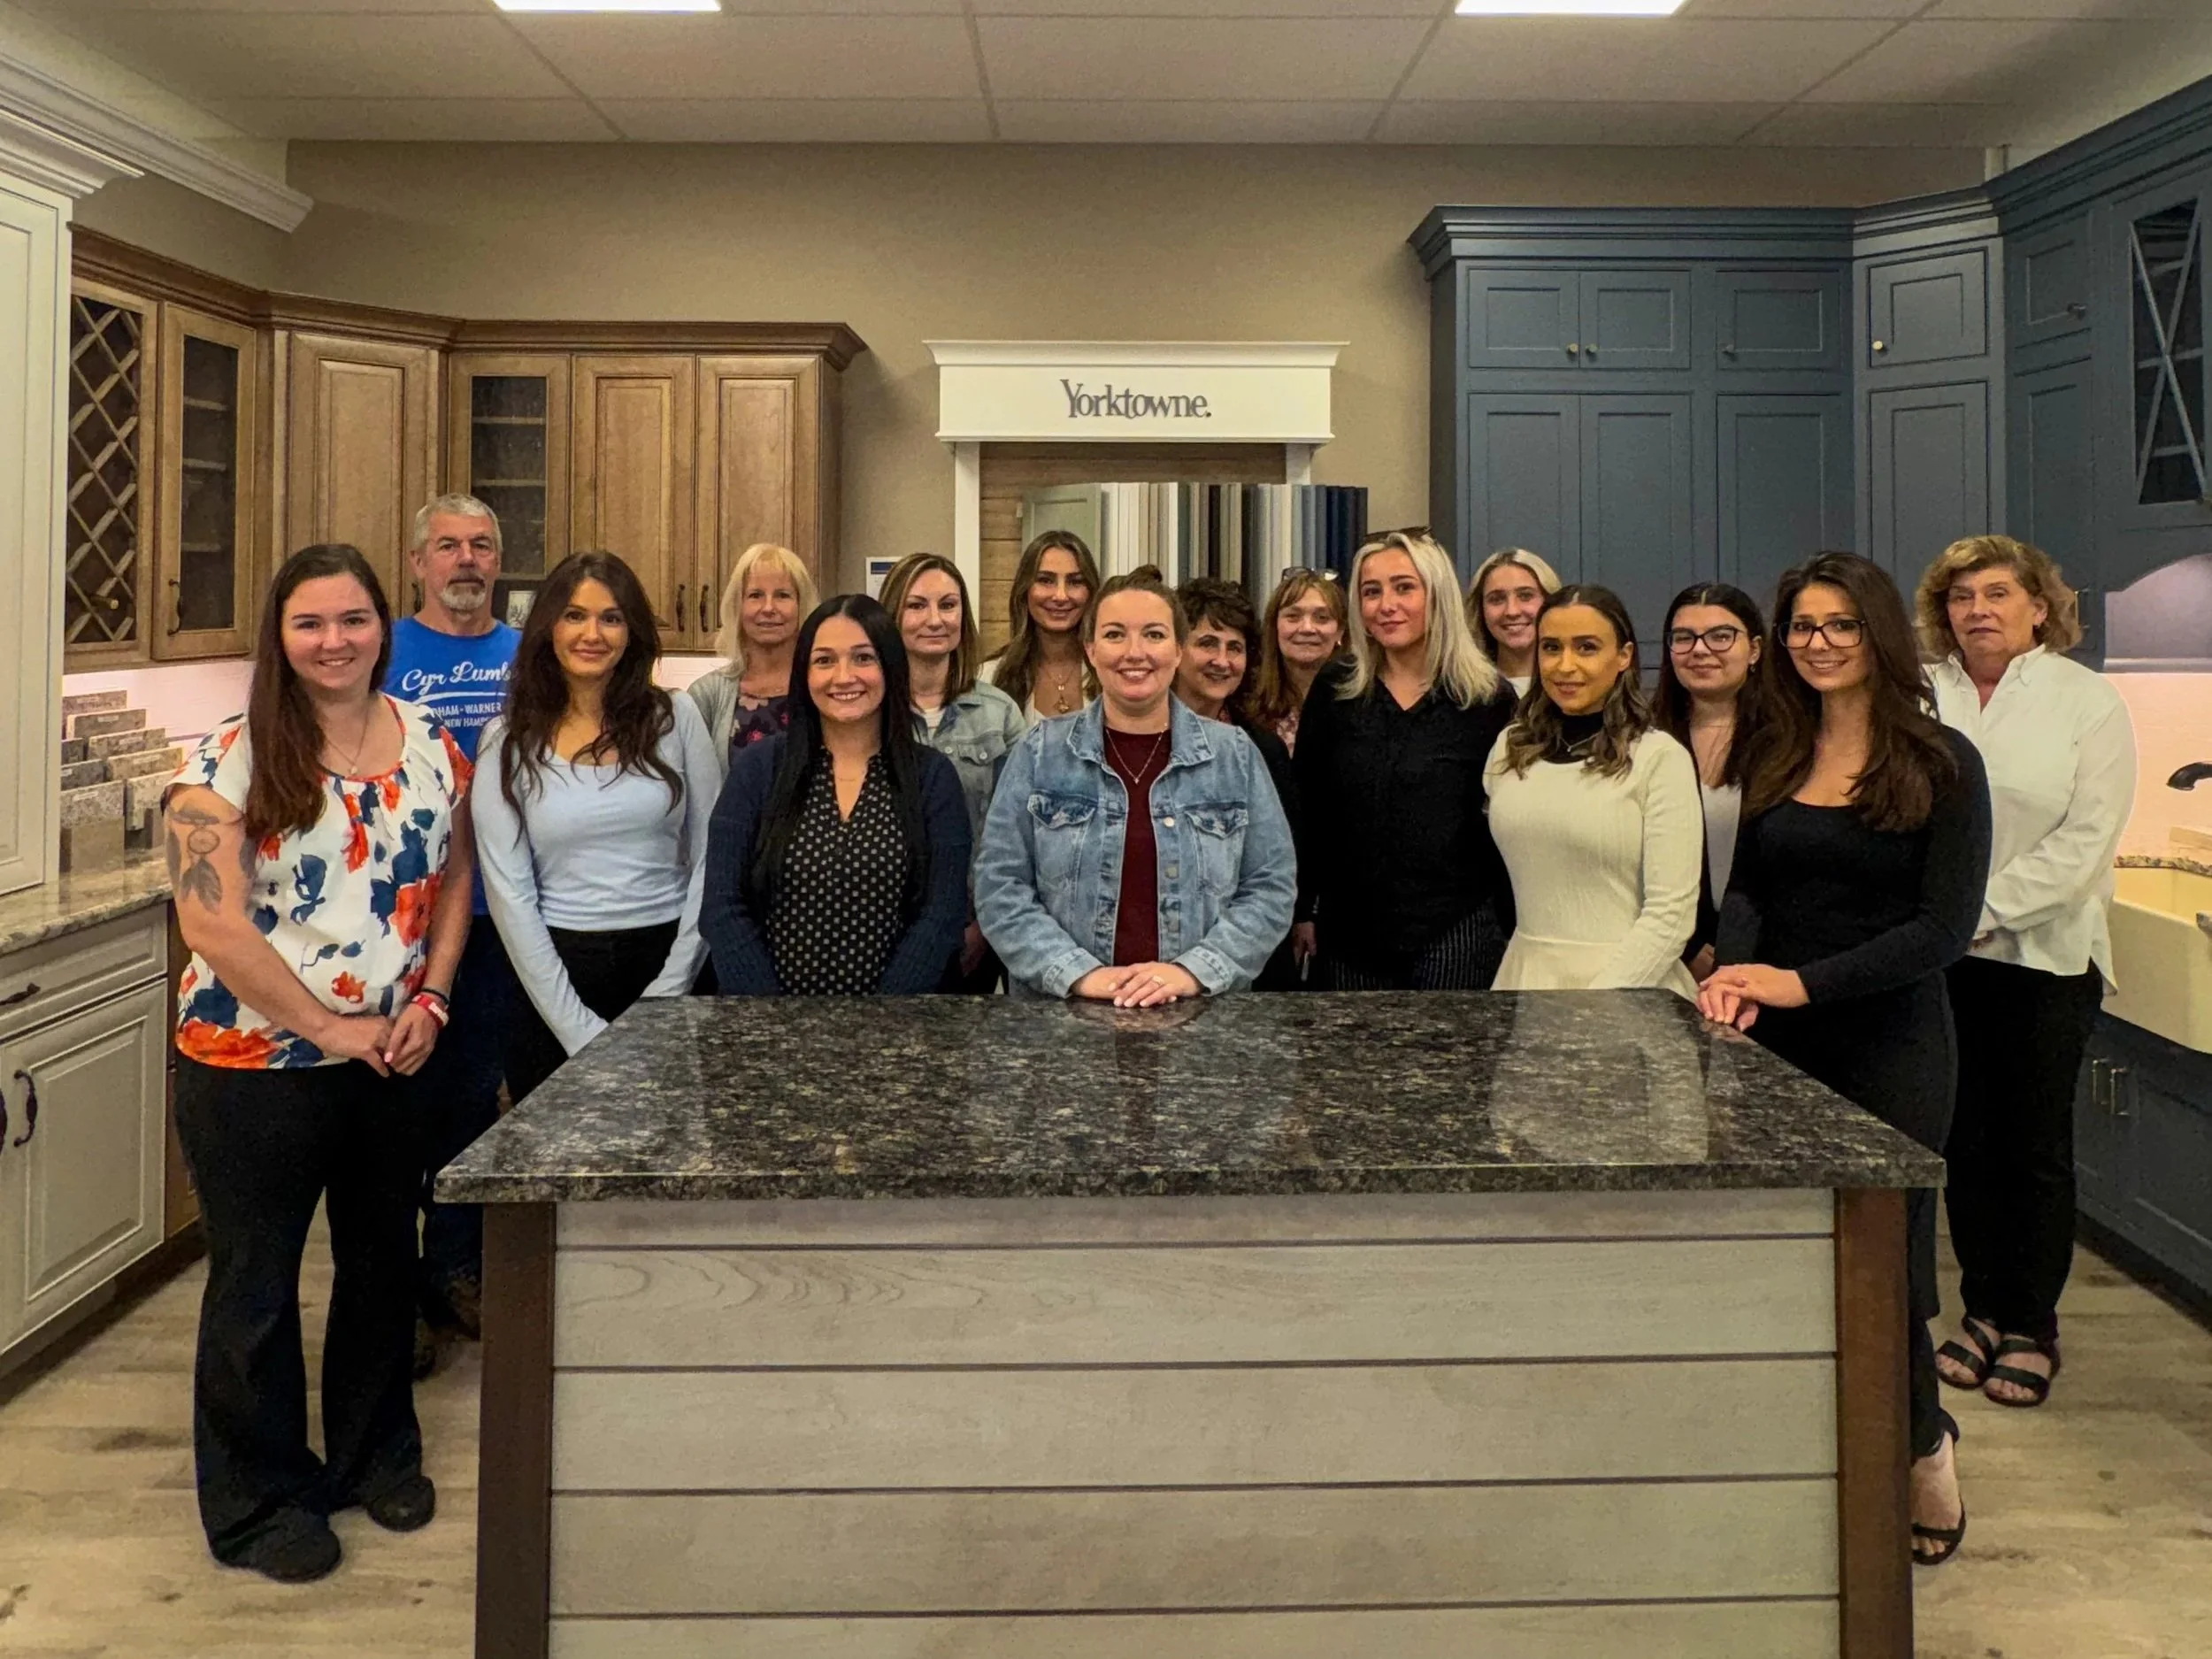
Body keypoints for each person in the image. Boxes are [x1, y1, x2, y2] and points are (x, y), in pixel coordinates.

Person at [164, 543, 474, 1583]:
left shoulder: (429, 740)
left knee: (383, 1260)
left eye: (352, 620)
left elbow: (456, 873)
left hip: (393, 1056)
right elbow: (210, 923)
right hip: (249, 1065)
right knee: (255, 1284)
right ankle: (258, 1501)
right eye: (311, 623)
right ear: (279, 637)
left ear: (384, 626)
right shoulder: (226, 759)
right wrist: (329, 1026)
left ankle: (374, 1454)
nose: (334, 641)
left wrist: (430, 993)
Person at [1697, 550, 1991, 1570]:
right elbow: (1747, 892)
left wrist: (1799, 982)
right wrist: (1738, 973)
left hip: (1893, 1043)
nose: (1817, 643)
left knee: (1889, 1272)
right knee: (1785, 1265)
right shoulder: (1772, 747)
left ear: (1878, 634)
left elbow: (1941, 930)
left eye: (1839, 625)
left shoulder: (1942, 761)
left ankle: (1921, 1446)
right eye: (1802, 626)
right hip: (1774, 1046)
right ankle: (1809, 1460)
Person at [1917, 535, 2136, 1409]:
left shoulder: (2085, 701)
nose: (1978, 609)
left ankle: (2030, 1323)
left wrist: (1975, 913)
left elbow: (2086, 843)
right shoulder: (1923, 692)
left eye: (1997, 593)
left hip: (2044, 957)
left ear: (2039, 606)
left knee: (2033, 1148)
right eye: (1962, 596)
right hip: (1941, 964)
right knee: (1963, 1144)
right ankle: (1979, 1308)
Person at [975, 567, 1295, 1003]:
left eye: (1154, 635)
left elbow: (1270, 887)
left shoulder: (1235, 756)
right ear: (1090, 649)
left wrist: (1191, 972)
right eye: (1114, 634)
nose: (1134, 652)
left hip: (1201, 1022)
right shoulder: (1040, 751)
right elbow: (1001, 886)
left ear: (1179, 650)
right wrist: (1079, 975)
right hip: (1062, 1023)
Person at [472, 552, 720, 1103]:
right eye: (574, 616)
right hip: (553, 974)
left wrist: (669, 991)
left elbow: (713, 856)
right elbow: (511, 895)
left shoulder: (676, 718)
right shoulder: (505, 740)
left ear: (631, 633)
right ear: (547, 628)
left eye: (611, 618)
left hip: (669, 958)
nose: (593, 633)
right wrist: (576, 1028)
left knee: (674, 1160)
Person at [380, 493, 519, 1373]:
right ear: (419, 563)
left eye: (480, 547)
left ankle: (454, 1271)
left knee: (477, 1104)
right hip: (399, 928)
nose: (465, 561)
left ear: (497, 563)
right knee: (398, 1112)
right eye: (447, 547)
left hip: (500, 924)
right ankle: (392, 1289)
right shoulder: (381, 648)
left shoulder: (527, 656)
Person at [702, 595, 971, 995]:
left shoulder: (932, 778)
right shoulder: (759, 770)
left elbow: (942, 915)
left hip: (900, 1033)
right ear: (804, 674)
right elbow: (722, 906)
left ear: (890, 668)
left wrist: (877, 1022)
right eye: (824, 660)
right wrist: (773, 1017)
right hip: (766, 1031)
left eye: (863, 658)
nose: (844, 676)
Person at [1293, 531, 1516, 990]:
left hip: (1455, 930)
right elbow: (1307, 809)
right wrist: (1302, 911)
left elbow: (1506, 824)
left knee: (1448, 1062)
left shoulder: (1487, 698)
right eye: (1371, 592)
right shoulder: (1336, 688)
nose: (1385, 604)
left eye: (1404, 587)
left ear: (1437, 596)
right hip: (1348, 932)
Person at [1486, 585, 1701, 995]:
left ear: (1624, 656)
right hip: (1525, 977)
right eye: (1551, 648)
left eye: (1586, 648)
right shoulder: (1509, 749)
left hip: (1630, 988)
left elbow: (1671, 915)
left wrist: (1597, 1006)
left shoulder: (1659, 758)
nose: (1565, 666)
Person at [879, 551, 1026, 991]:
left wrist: (984, 926)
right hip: (881, 928)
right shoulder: (867, 710)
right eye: (917, 605)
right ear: (892, 614)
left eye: (948, 605)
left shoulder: (999, 713)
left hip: (972, 932)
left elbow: (1015, 836)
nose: (935, 619)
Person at [1175, 577, 1304, 989]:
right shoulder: (1137, 737)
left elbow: (1276, 867)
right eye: (1207, 644)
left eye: (1236, 648)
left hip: (1249, 963)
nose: (1223, 660)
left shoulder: (1261, 748)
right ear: (1175, 649)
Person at [1654, 582, 1770, 980]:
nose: (1700, 650)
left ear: (1754, 649)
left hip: (1771, 958)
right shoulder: (1642, 739)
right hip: (1672, 958)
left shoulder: (1792, 740)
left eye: (1721, 636)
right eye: (1684, 638)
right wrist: (1686, 947)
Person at [687, 542, 818, 770]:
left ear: (802, 606)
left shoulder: (825, 685)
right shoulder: (706, 695)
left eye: (782, 595)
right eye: (755, 595)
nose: (768, 607)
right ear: (737, 607)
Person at [980, 529, 1100, 725]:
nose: (1061, 596)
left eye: (1075, 582)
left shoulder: (1112, 673)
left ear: (1091, 592)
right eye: (1046, 580)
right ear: (1024, 590)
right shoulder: (988, 679)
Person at [1246, 568, 1348, 754]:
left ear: (1340, 631)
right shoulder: (1245, 702)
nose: (1307, 628)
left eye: (1321, 618)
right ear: (1274, 625)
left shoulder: (1361, 704)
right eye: (1293, 616)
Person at [1466, 548, 1563, 697]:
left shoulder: (1572, 686)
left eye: (1525, 596)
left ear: (1550, 602)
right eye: (1497, 599)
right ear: (1480, 609)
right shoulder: (1465, 693)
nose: (1512, 611)